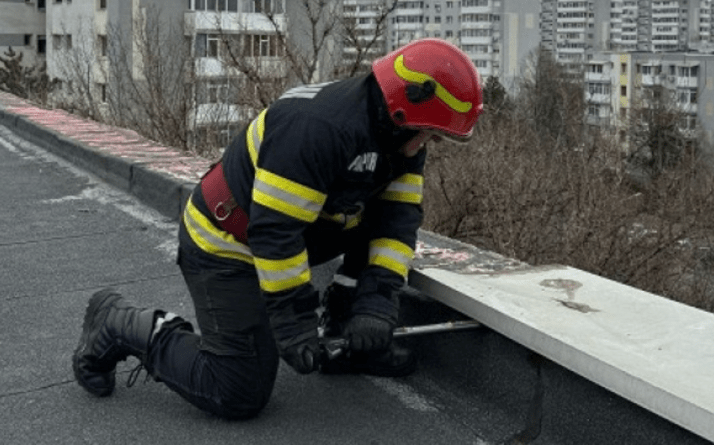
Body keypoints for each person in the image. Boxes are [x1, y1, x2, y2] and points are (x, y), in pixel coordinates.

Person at [72, 38, 483, 420]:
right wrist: (294, 324)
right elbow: (274, 232)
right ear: (401, 112)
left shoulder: (399, 138)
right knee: (237, 390)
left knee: (377, 216)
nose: (426, 145)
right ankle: (118, 322)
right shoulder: (318, 128)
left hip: (291, 237)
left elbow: (396, 224)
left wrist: (374, 308)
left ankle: (343, 342)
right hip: (226, 242)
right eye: (428, 133)